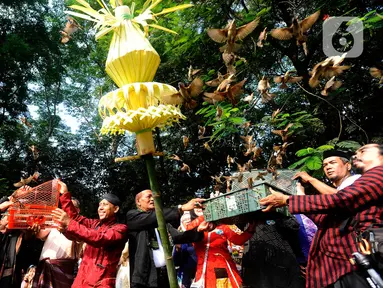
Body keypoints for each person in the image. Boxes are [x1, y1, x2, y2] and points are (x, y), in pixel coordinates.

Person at [260, 143, 383, 288]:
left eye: (363, 151)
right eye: (325, 164)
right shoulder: (363, 182)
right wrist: (300, 197)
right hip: (340, 265)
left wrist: (288, 200)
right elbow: (325, 220)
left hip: (358, 259)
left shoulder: (378, 174)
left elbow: (340, 199)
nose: (357, 155)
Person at [52, 181, 127, 288]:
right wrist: (64, 195)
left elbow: (99, 238)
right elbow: (76, 218)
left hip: (101, 282)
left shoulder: (120, 229)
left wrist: (69, 223)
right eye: (99, 204)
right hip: (81, 279)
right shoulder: (94, 224)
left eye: (105, 204)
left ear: (116, 209)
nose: (100, 207)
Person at [126, 189, 205, 288]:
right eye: (148, 196)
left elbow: (178, 237)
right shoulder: (133, 216)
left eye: (154, 197)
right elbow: (152, 218)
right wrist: (181, 208)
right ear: (138, 202)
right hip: (145, 277)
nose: (152, 199)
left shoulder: (162, 222)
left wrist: (199, 230)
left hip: (166, 274)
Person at [185, 215, 256, 288]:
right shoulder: (195, 227)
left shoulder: (223, 227)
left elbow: (238, 240)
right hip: (203, 269)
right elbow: (186, 232)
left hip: (222, 266)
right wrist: (203, 220)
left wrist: (251, 229)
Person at [32, 197, 83, 288]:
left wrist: (66, 228)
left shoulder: (80, 227)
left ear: (77, 210)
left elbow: (79, 240)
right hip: (45, 265)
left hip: (63, 268)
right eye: (64, 206)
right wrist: (35, 229)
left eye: (70, 206)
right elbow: (40, 234)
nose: (66, 209)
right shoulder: (54, 222)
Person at [293, 150, 361, 195]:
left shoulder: (357, 179)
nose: (328, 167)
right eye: (325, 165)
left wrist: (310, 179)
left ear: (348, 166)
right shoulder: (337, 188)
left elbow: (341, 197)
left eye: (333, 163)